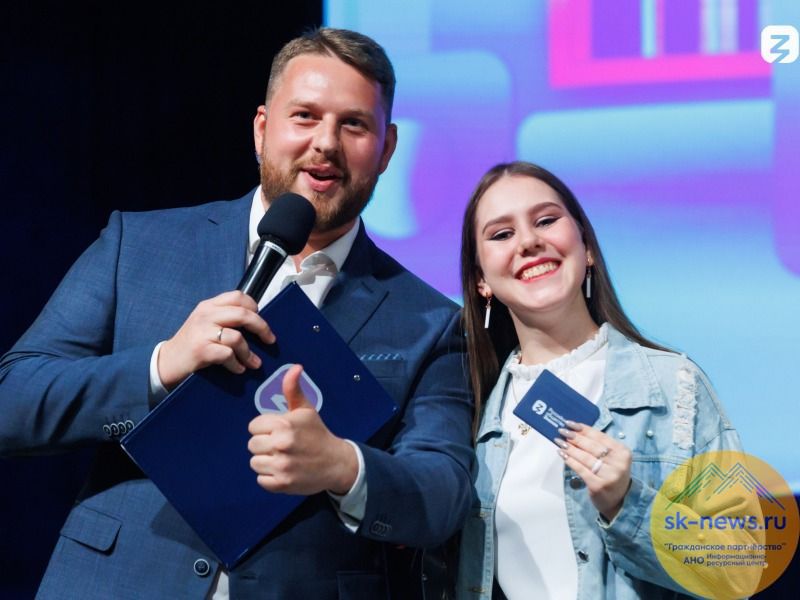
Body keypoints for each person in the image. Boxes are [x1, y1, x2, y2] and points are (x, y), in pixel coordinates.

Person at [0, 28, 473, 599]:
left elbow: (443, 492)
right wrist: (160, 365)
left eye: (354, 124)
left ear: (387, 147)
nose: (326, 143)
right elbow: (12, 401)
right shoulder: (140, 245)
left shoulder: (429, 320)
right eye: (304, 116)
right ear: (261, 128)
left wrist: (343, 467)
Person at [455, 162, 744, 599]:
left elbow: (739, 570)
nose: (529, 242)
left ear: (586, 247)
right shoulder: (473, 412)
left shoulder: (674, 386)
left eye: (546, 221)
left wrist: (627, 503)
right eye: (502, 234)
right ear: (481, 281)